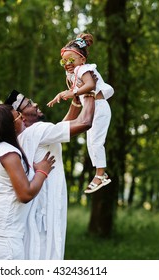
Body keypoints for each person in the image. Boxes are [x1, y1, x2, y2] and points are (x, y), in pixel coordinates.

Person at [4, 88, 95, 259]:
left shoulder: (26, 136)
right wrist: (89, 93)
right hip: (44, 215)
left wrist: (75, 103)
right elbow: (85, 122)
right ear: (21, 116)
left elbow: (59, 131)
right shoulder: (38, 131)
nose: (35, 104)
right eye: (29, 104)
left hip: (37, 212)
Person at [0, 104, 55, 260]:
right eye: (18, 116)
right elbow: (25, 194)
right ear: (8, 126)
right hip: (2, 232)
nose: (22, 118)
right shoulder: (9, 153)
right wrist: (42, 171)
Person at [47, 33, 114, 194]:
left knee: (96, 142)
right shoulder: (71, 75)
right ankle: (100, 173)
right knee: (91, 142)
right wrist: (61, 94)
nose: (67, 64)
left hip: (99, 107)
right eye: (64, 61)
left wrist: (74, 91)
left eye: (71, 60)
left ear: (82, 59)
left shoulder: (84, 69)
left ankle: (101, 174)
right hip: (91, 109)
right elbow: (73, 93)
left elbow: (90, 85)